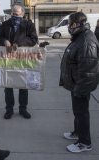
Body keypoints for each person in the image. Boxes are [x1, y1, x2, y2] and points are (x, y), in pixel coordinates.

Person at [59, 12, 99, 153]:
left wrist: (80, 89)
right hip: (76, 84)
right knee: (78, 112)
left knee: (82, 113)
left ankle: (84, 143)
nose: (68, 27)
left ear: (74, 24)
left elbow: (88, 70)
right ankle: (77, 132)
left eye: (69, 23)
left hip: (81, 85)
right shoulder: (79, 37)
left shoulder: (86, 41)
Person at [0, 5, 38, 119]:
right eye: (13, 14)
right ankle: (9, 109)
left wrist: (19, 43)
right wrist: (4, 41)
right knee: (8, 86)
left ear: (22, 14)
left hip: (22, 61)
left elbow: (34, 39)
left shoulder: (28, 25)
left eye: (17, 14)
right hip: (8, 60)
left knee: (23, 86)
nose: (15, 16)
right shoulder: (5, 24)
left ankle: (23, 109)